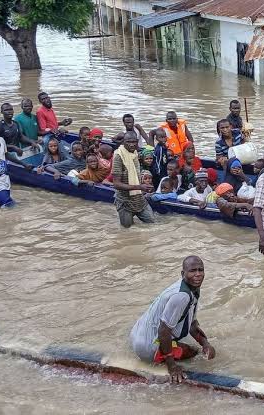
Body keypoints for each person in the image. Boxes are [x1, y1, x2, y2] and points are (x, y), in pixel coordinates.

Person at [129, 255, 216, 383]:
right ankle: (161, 359)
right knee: (193, 353)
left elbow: (191, 324)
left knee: (198, 349)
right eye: (192, 271)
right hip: (147, 348)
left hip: (136, 335)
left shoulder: (190, 288)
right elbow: (163, 331)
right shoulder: (182, 296)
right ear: (183, 273)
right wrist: (172, 367)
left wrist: (205, 343)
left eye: (200, 270)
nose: (198, 274)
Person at [113, 131, 155, 228]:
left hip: (139, 199)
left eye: (133, 142)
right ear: (123, 142)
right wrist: (139, 187)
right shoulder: (119, 156)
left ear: (137, 142)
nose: (131, 145)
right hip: (125, 201)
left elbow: (151, 147)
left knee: (152, 223)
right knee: (127, 230)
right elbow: (116, 184)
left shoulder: (135, 153)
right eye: (128, 142)